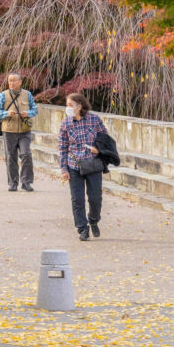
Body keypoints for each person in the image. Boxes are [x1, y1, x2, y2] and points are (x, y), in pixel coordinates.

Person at [58, 92, 108, 242]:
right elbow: (62, 147)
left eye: (70, 105)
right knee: (77, 200)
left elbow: (104, 137)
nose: (68, 108)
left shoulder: (94, 119)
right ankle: (82, 228)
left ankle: (93, 220)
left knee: (95, 198)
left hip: (92, 164)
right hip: (74, 165)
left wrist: (98, 148)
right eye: (67, 105)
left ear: (79, 106)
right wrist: (64, 169)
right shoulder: (65, 123)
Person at [0, 73, 38, 192]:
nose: (11, 83)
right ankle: (13, 182)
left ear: (20, 82)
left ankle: (26, 182)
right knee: (11, 157)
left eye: (14, 80)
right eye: (9, 81)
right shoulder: (3, 95)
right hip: (9, 130)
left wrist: (27, 113)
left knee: (26, 154)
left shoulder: (27, 95)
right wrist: (7, 113)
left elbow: (35, 110)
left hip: (24, 130)